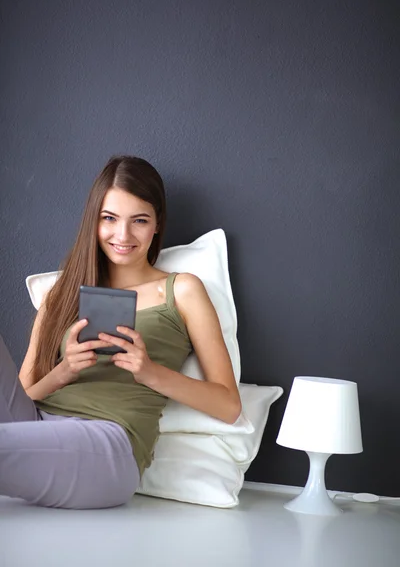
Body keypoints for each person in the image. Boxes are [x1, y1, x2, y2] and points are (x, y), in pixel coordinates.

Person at [0, 155, 241, 509]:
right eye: (109, 219)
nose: (122, 235)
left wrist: (150, 372)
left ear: (157, 224)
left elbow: (229, 406)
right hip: (34, 424)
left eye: (139, 220)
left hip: (107, 443)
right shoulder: (61, 293)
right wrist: (65, 370)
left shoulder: (182, 291)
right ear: (93, 221)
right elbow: (25, 396)